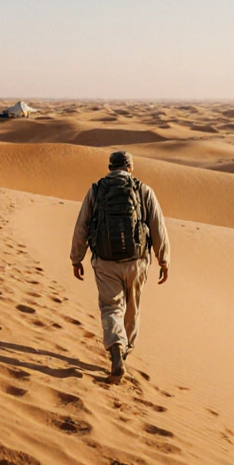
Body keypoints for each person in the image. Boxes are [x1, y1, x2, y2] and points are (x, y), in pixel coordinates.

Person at [70, 150, 170, 378]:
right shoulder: (143, 190)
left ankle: (116, 345)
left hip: (105, 262)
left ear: (110, 167)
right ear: (130, 167)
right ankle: (125, 352)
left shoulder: (96, 190)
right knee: (132, 308)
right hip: (137, 261)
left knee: (111, 307)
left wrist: (76, 258)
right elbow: (158, 226)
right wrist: (164, 259)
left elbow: (82, 225)